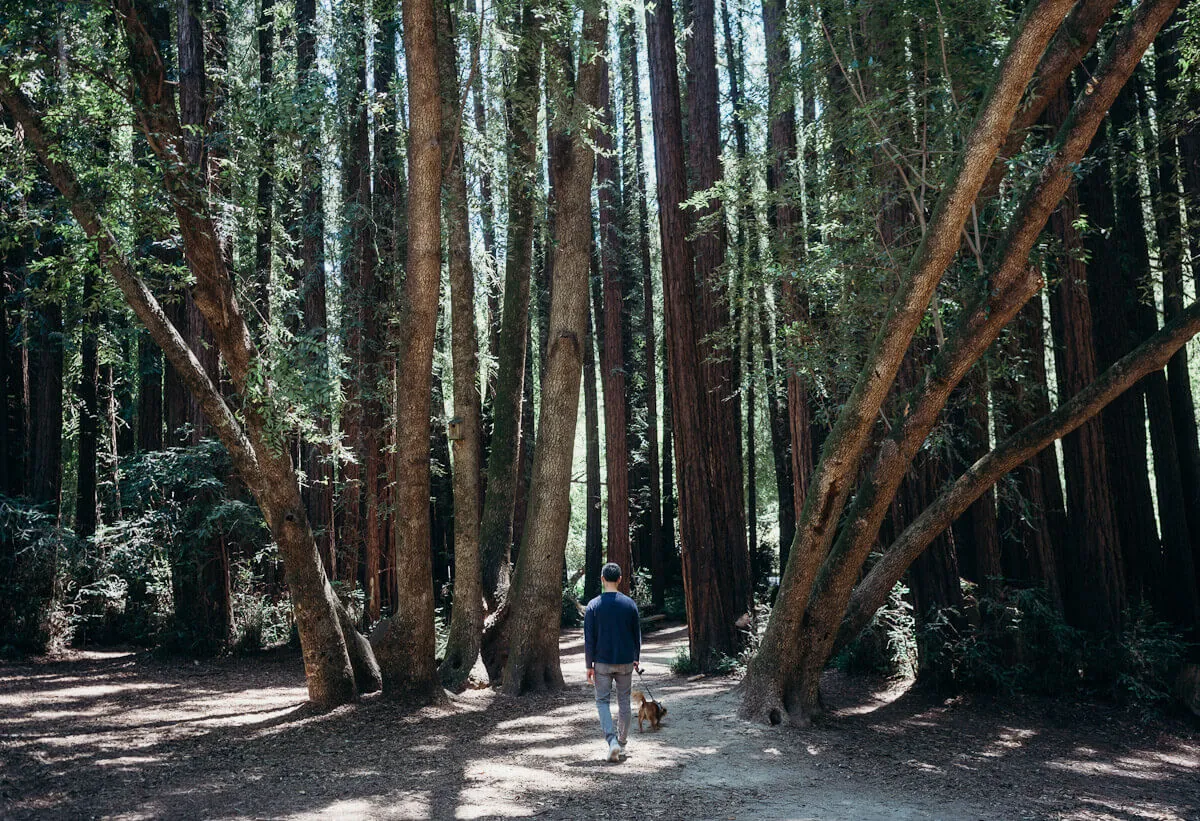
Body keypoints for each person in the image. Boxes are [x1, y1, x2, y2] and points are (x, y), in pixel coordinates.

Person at [584, 562, 642, 762]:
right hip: (626, 661)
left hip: (602, 663)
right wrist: (636, 658)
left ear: (602, 579)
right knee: (624, 701)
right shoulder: (629, 604)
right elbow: (637, 635)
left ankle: (612, 742)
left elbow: (589, 638)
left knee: (602, 701)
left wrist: (588, 665)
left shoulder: (593, 605)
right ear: (619, 579)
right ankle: (622, 742)